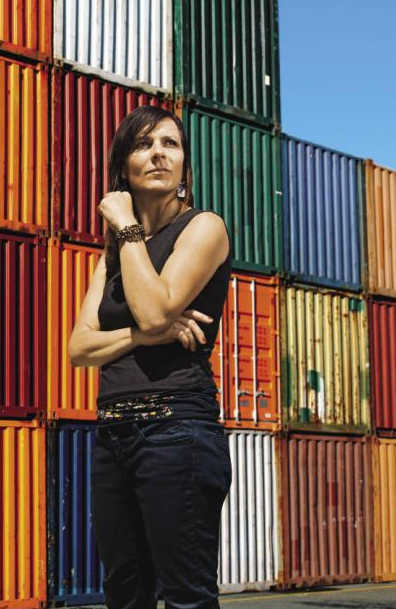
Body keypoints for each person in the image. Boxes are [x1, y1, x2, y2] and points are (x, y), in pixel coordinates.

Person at [68, 105, 232, 609]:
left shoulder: (204, 228)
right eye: (144, 144)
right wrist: (143, 336)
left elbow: (157, 310)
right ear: (124, 167)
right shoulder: (113, 258)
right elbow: (79, 348)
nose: (159, 153)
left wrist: (125, 224)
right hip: (112, 436)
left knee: (186, 597)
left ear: (184, 165)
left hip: (176, 428)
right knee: (125, 596)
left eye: (170, 143)